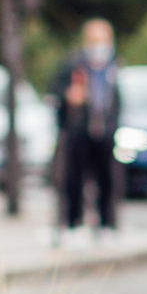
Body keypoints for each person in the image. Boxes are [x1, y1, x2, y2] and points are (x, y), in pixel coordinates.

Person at [53, 18, 123, 246]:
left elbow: (118, 100)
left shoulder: (114, 66)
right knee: (74, 180)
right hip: (79, 131)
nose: (99, 45)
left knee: (107, 180)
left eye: (103, 39)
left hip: (105, 131)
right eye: (94, 40)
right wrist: (68, 97)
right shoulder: (72, 65)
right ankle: (72, 224)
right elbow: (54, 92)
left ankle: (107, 225)